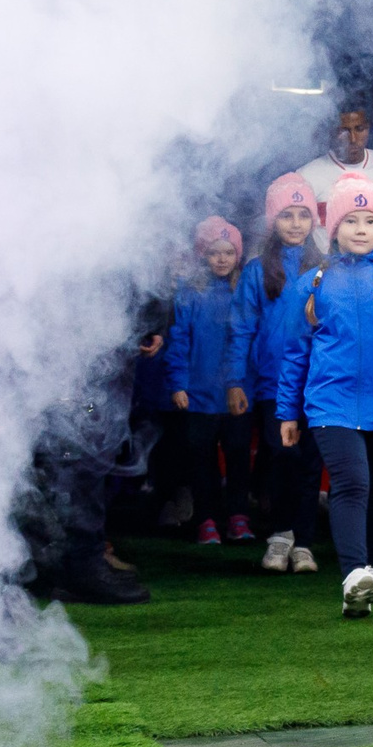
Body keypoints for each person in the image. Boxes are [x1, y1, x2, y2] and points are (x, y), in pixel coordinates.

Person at [277, 173, 373, 619]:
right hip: (330, 405)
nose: (361, 229)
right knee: (353, 483)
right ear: (333, 228)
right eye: (351, 220)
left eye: (370, 220)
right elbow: (294, 353)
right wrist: (287, 411)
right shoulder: (312, 283)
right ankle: (353, 574)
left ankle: (369, 577)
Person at [233, 174, 323, 574]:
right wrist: (236, 381)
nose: (296, 223)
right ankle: (280, 535)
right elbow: (240, 328)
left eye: (304, 214)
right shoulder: (256, 271)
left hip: (318, 387)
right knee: (281, 457)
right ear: (273, 220)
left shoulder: (325, 268)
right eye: (287, 214)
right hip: (272, 385)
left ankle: (304, 543)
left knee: (309, 463)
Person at [168, 217, 250, 546]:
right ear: (203, 254)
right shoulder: (190, 293)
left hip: (238, 394)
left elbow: (248, 343)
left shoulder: (244, 292)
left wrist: (244, 384)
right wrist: (177, 384)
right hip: (199, 395)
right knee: (201, 461)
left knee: (239, 455)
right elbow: (178, 342)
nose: (221, 259)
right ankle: (206, 519)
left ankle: (238, 517)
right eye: (214, 252)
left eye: (229, 252)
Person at [299, 101, 373, 209]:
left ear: (368, 128)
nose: (353, 139)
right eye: (343, 131)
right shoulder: (308, 176)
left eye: (360, 129)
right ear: (330, 132)